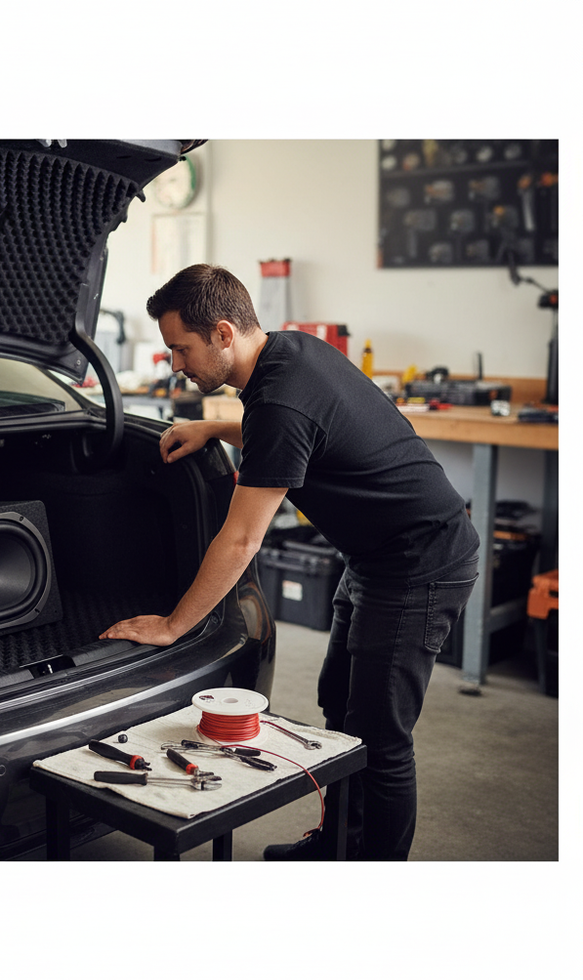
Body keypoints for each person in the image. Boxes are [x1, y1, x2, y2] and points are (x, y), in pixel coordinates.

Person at [100, 264, 480, 861]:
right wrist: (217, 427)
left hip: (420, 564)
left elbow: (241, 541)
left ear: (224, 333)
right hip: (376, 558)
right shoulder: (288, 353)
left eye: (181, 348)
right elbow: (297, 435)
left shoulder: (280, 397)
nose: (176, 363)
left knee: (380, 740)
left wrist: (175, 625)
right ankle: (336, 848)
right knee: (339, 710)